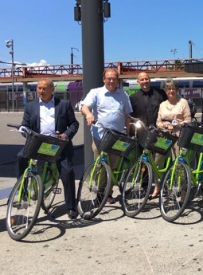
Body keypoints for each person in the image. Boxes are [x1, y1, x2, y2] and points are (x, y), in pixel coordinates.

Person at [17, 79, 79, 219]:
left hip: (58, 144)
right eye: (39, 88)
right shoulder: (30, 106)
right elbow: (25, 125)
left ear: (52, 89)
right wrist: (25, 131)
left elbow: (74, 124)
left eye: (44, 88)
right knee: (21, 157)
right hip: (38, 142)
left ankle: (71, 206)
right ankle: (23, 192)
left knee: (67, 171)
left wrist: (66, 135)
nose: (41, 91)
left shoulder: (64, 105)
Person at [81, 68, 133, 204]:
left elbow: (126, 115)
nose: (111, 81)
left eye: (114, 78)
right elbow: (84, 106)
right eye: (108, 78)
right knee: (101, 167)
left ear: (118, 81)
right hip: (100, 136)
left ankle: (108, 193)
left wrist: (128, 132)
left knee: (113, 167)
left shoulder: (123, 95)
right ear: (104, 80)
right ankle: (100, 194)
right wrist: (89, 114)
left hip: (117, 137)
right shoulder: (96, 92)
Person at [151, 79, 192, 198]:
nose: (171, 91)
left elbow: (188, 120)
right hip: (164, 135)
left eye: (173, 88)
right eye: (168, 89)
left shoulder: (183, 102)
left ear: (177, 90)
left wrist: (176, 124)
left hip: (178, 135)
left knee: (179, 163)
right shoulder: (163, 104)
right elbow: (158, 122)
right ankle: (157, 186)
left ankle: (183, 191)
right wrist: (163, 125)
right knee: (157, 161)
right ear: (165, 90)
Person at [129, 72, 167, 137]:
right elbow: (131, 117)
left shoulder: (160, 93)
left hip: (160, 131)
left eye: (146, 79)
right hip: (142, 133)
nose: (144, 81)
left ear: (150, 80)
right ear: (138, 82)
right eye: (142, 79)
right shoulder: (133, 98)